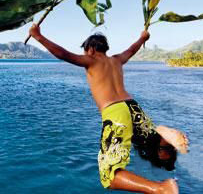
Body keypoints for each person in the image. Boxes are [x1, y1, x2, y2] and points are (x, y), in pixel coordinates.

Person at [29, 24, 188, 194]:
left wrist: (38, 36)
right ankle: (164, 139)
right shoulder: (116, 60)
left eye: (84, 51)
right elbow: (132, 49)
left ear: (90, 49)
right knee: (154, 150)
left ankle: (159, 189)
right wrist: (143, 38)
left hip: (115, 112)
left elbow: (63, 54)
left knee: (109, 175)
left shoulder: (90, 60)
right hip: (133, 107)